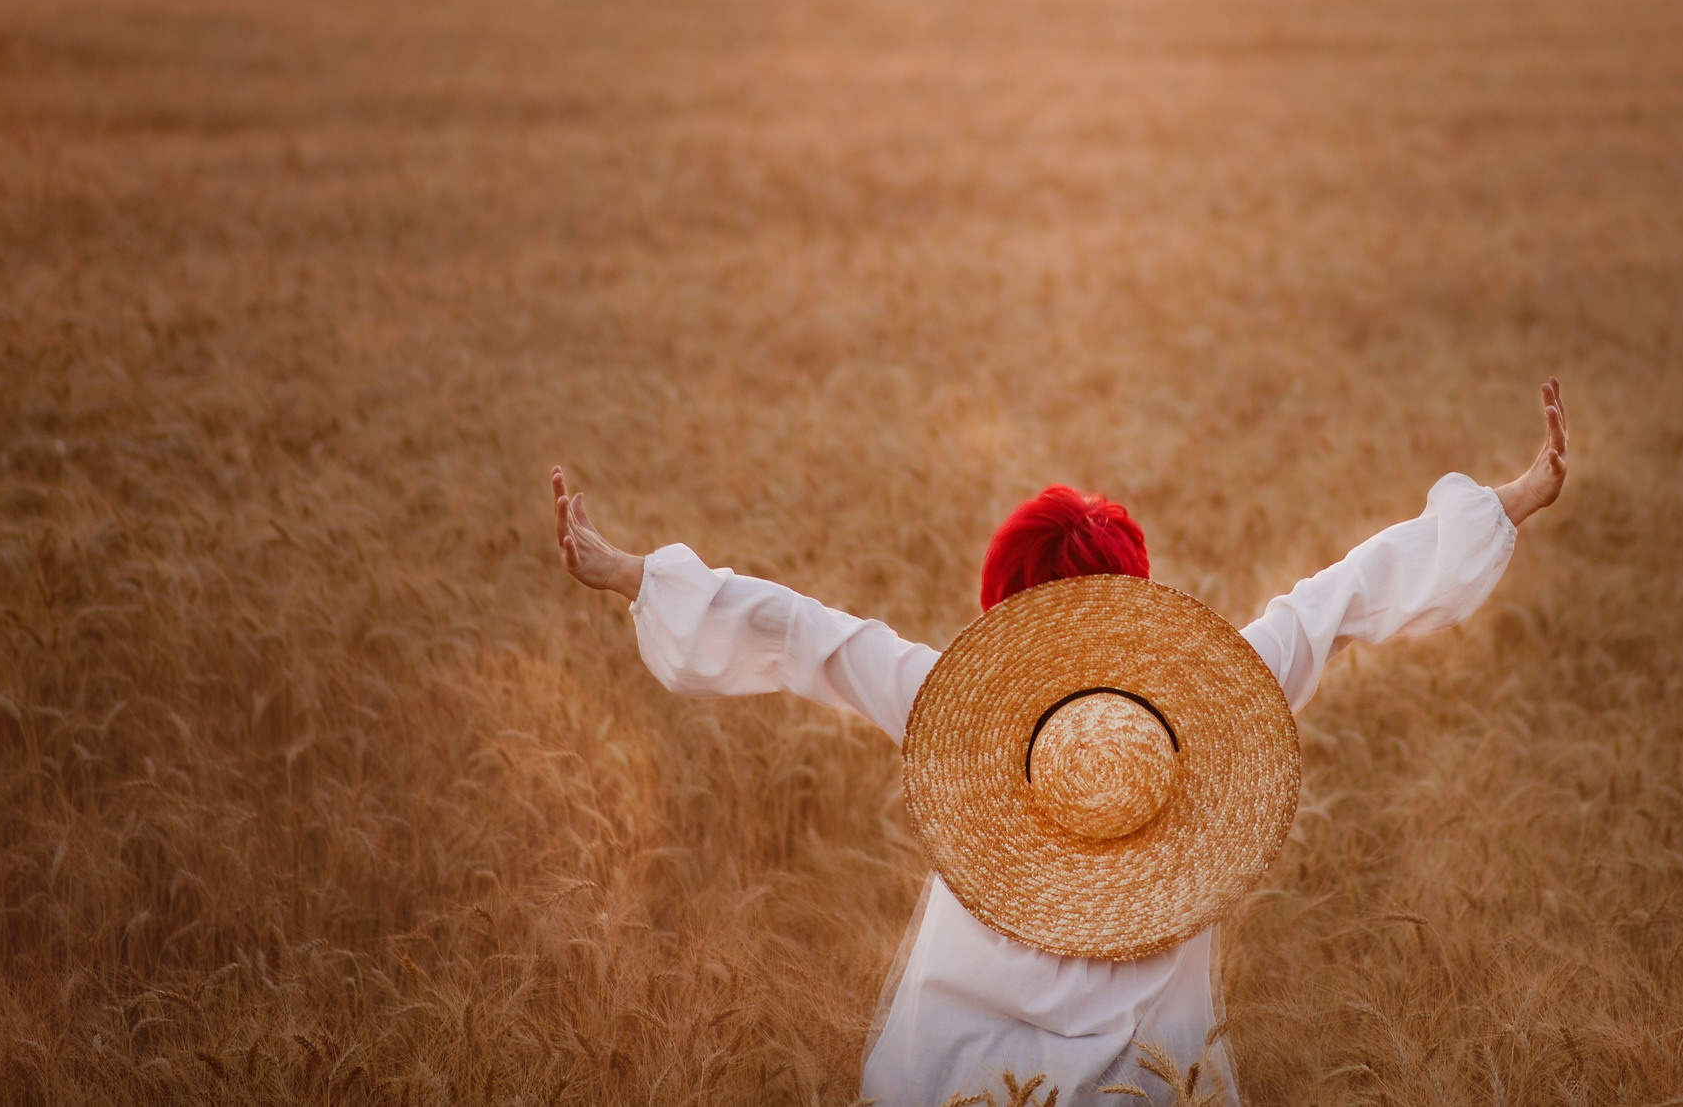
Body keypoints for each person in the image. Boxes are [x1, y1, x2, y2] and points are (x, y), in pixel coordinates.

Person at [553, 379, 1569, 1105]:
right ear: (1132, 596)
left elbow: (805, 633)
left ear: (1004, 608)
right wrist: (1508, 501)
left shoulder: (953, 703)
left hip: (954, 1076)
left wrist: (635, 573)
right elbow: (1344, 596)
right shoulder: (1214, 702)